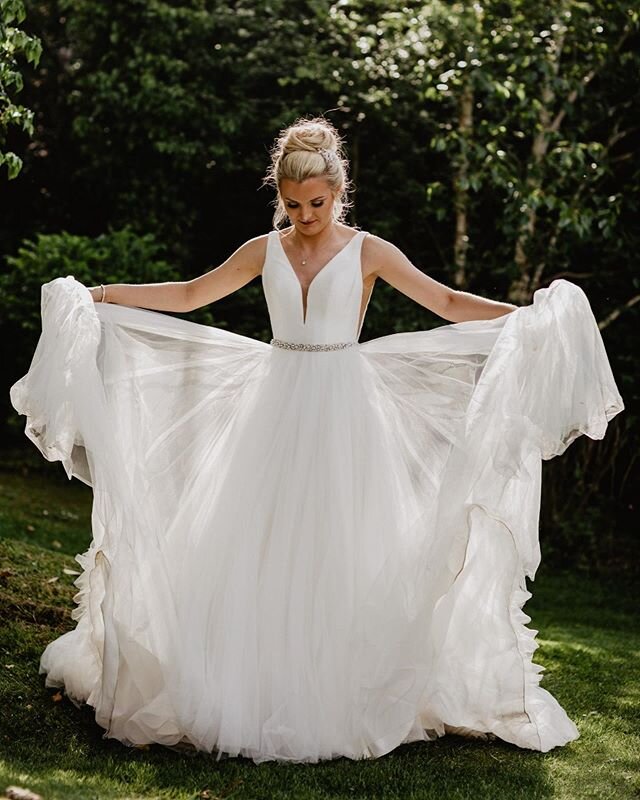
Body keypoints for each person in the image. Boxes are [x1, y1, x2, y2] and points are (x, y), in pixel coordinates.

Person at [10, 116, 624, 764]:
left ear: (339, 192)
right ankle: (251, 676)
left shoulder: (368, 251)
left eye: (318, 204)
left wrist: (523, 317)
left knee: (343, 541)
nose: (306, 216)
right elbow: (192, 294)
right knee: (260, 542)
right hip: (275, 405)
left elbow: (442, 301)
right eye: (295, 204)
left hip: (343, 409)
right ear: (282, 195)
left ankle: (343, 681)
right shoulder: (262, 248)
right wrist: (101, 294)